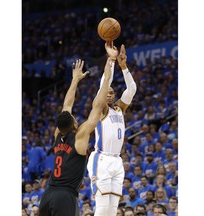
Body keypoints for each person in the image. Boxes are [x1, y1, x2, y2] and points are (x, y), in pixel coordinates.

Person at [39, 56, 113, 216]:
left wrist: (75, 80)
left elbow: (67, 105)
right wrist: (107, 76)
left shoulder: (57, 133)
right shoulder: (79, 137)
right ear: (73, 125)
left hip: (48, 195)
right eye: (74, 119)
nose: (76, 119)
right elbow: (99, 106)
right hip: (64, 196)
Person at [87, 42, 137, 216]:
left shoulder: (119, 108)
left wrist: (124, 67)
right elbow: (104, 83)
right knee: (101, 208)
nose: (109, 94)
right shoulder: (101, 109)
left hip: (117, 161)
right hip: (101, 159)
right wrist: (111, 60)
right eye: (106, 92)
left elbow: (132, 89)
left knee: (112, 209)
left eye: (112, 93)